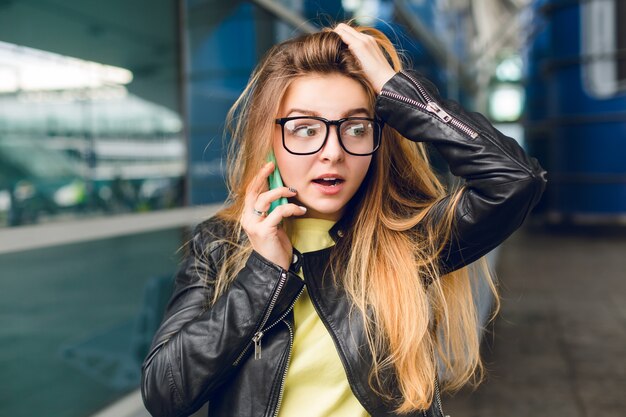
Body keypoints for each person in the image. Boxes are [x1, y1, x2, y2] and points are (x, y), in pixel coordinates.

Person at [141, 23, 547, 417]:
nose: (333, 151)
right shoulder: (220, 242)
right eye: (304, 129)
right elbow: (165, 393)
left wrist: (402, 93)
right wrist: (265, 273)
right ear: (270, 141)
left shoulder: (407, 238)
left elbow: (516, 180)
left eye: (355, 127)